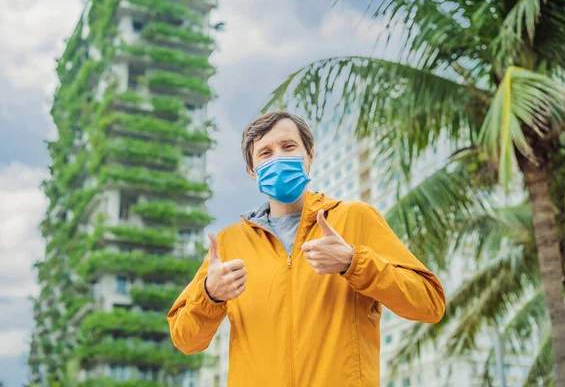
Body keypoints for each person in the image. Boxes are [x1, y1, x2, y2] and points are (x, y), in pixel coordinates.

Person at [167, 111, 446, 386]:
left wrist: (354, 261)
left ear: (309, 156)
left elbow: (429, 305)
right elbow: (185, 340)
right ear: (252, 171)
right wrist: (210, 295)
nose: (277, 158)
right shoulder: (229, 244)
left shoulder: (355, 218)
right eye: (265, 153)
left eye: (288, 147)